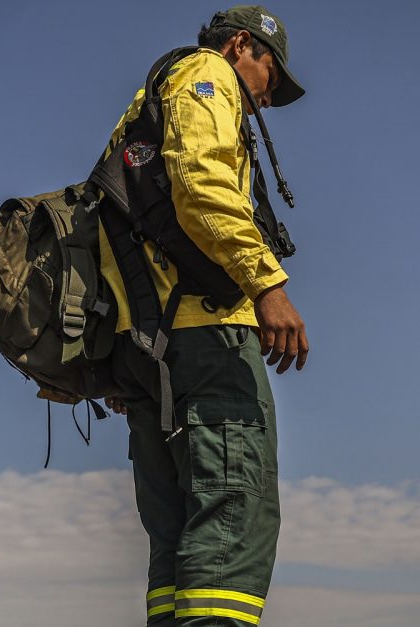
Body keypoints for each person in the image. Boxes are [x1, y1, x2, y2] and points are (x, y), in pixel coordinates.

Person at [99, 6, 309, 625]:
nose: (267, 100)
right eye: (271, 76)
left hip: (148, 346)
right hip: (204, 338)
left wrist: (125, 350)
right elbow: (203, 187)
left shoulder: (145, 106)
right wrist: (267, 284)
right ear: (242, 45)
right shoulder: (204, 76)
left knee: (176, 538)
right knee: (233, 520)